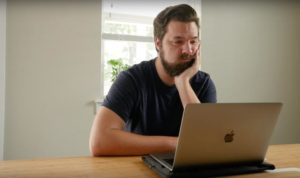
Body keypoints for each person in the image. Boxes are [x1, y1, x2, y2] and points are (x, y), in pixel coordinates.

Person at [89, 4, 217, 156]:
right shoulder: (132, 80)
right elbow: (99, 142)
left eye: (193, 41)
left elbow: (207, 143)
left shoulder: (204, 83)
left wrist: (182, 83)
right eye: (178, 41)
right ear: (158, 43)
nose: (188, 50)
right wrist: (177, 144)